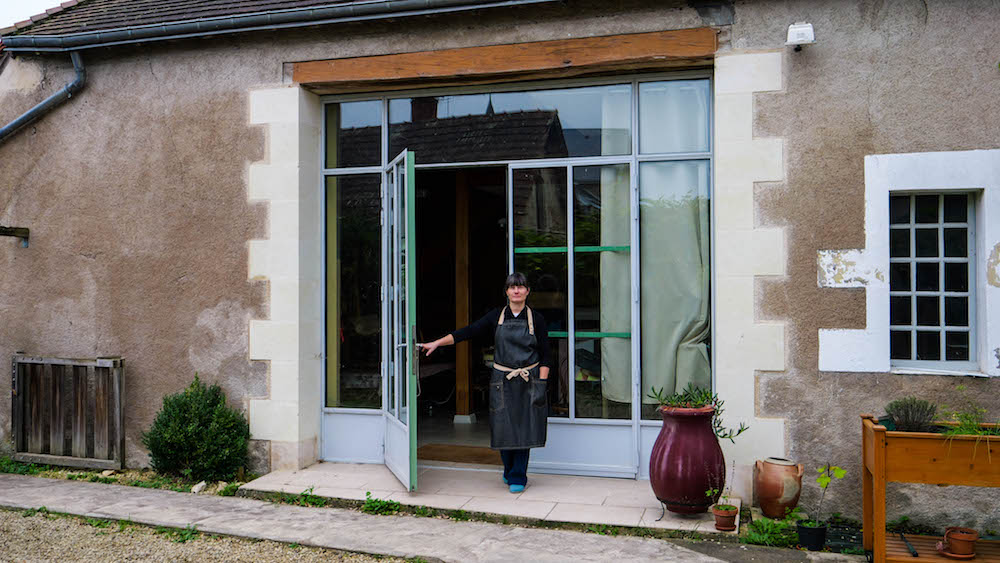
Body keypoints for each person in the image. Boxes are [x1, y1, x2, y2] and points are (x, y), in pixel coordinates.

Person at [421, 272, 550, 493]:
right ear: (506, 292)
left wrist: (541, 384)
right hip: (502, 381)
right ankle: (508, 469)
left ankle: (518, 475)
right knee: (503, 427)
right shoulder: (495, 316)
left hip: (529, 381)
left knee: (524, 429)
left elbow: (546, 355)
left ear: (527, 291)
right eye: (512, 287)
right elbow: (468, 331)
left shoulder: (537, 319)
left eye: (521, 287)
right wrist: (437, 343)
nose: (516, 291)